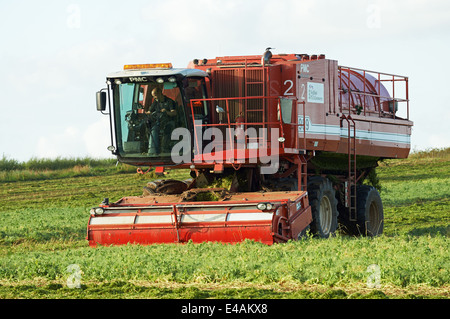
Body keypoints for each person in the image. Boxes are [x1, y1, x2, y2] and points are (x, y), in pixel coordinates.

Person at [146, 87, 177, 154]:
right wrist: (146, 113)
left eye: (155, 96)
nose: (154, 98)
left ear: (160, 93)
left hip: (169, 121)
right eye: (153, 96)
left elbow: (174, 113)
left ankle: (164, 148)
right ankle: (152, 150)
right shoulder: (155, 102)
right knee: (153, 129)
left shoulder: (169, 101)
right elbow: (150, 111)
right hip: (159, 122)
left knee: (167, 128)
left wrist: (166, 112)